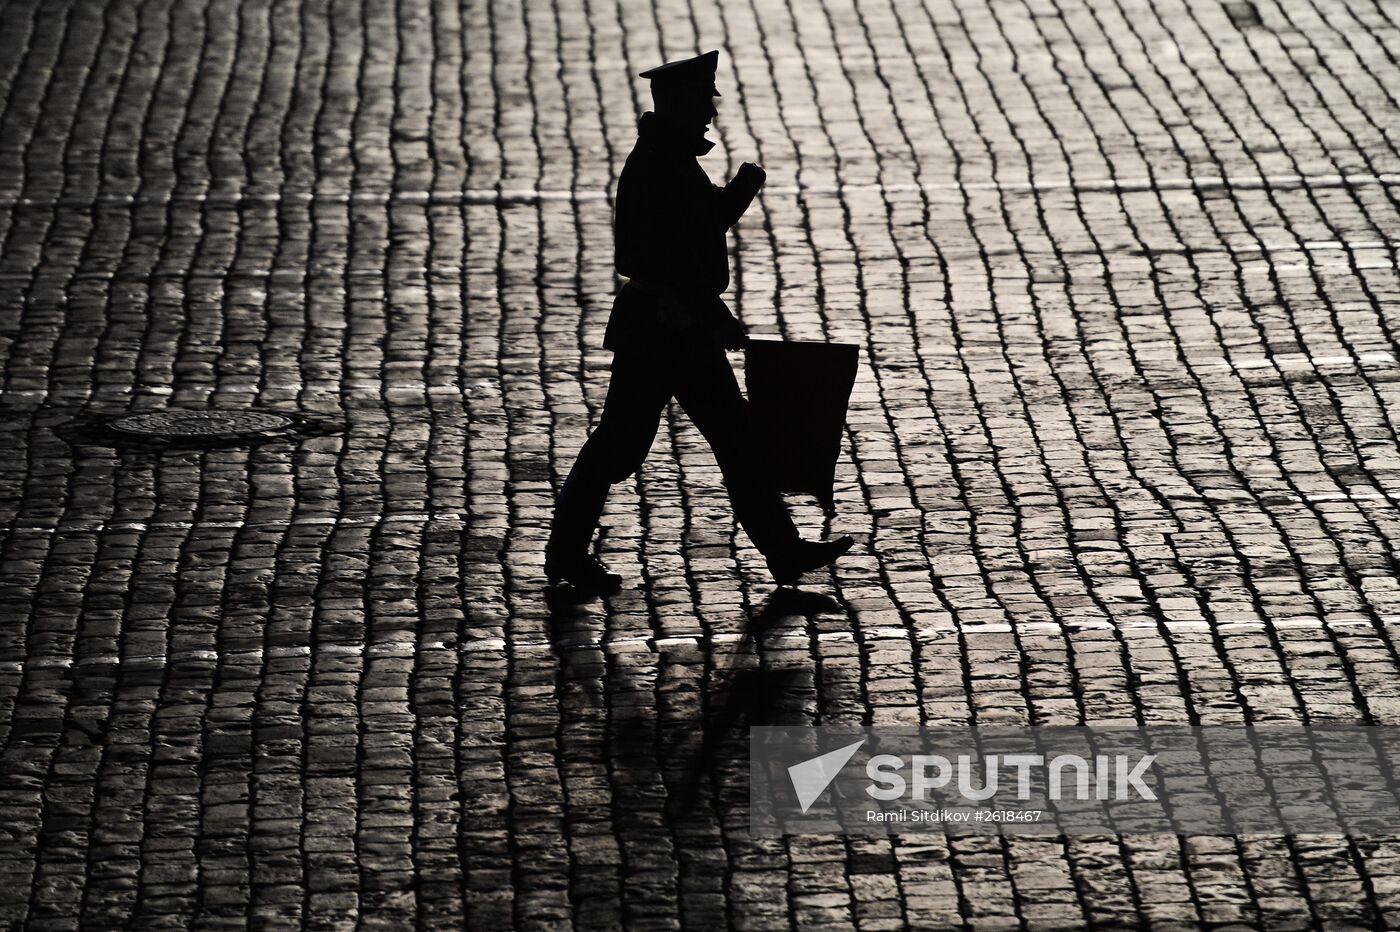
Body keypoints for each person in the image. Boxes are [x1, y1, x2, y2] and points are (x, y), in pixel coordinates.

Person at [545, 50, 854, 596]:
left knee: (732, 439)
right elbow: (652, 255)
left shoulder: (671, 159)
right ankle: (567, 554)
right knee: (622, 446)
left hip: (678, 331)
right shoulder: (658, 165)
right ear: (677, 104)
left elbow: (698, 227)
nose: (710, 113)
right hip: (661, 333)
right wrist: (711, 312)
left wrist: (740, 190)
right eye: (702, 102)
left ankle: (783, 552)